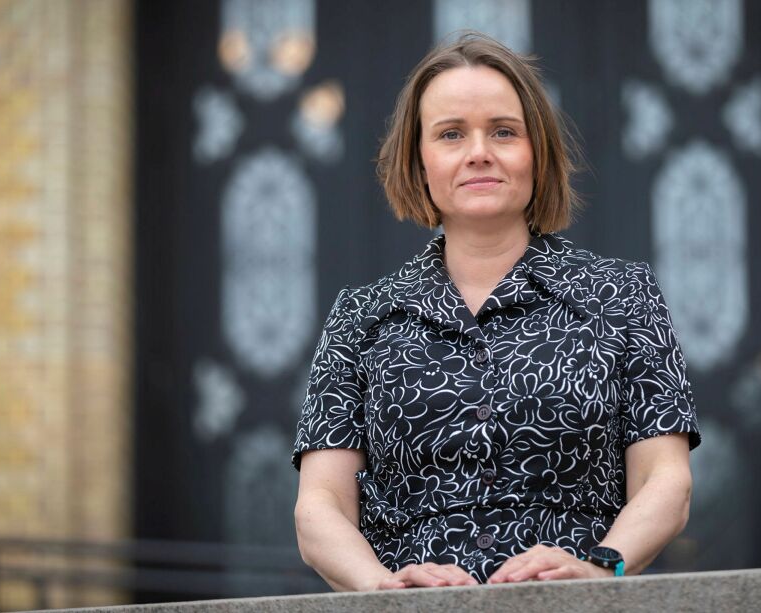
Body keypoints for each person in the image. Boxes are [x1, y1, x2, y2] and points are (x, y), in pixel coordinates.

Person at [292, 32, 700, 591]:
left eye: (504, 132)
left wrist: (602, 566)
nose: (479, 151)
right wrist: (382, 589)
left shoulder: (622, 295)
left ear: (538, 153)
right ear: (419, 160)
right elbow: (319, 506)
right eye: (451, 134)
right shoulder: (360, 317)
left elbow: (666, 478)